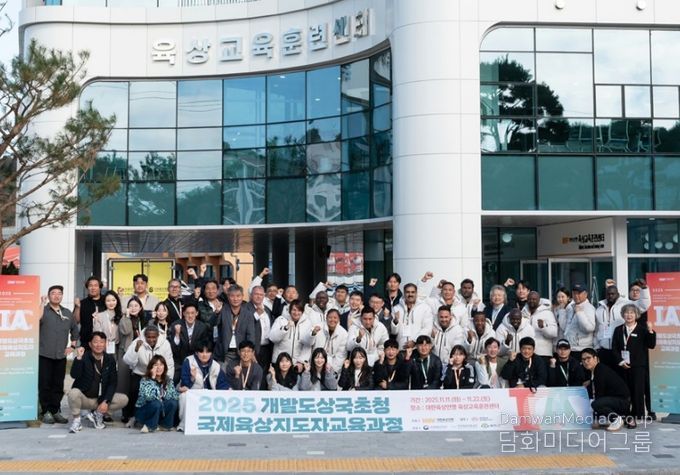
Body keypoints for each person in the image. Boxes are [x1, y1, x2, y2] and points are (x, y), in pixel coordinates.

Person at [67, 332, 128, 433]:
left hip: (100, 400)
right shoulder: (84, 356)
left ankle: (98, 415)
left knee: (123, 399)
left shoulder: (110, 359)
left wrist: (106, 401)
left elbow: (112, 383)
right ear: (90, 344)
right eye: (95, 342)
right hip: (85, 398)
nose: (98, 345)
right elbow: (74, 375)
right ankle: (77, 420)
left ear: (105, 344)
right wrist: (78, 358)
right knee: (73, 393)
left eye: (101, 342)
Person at [38, 285, 79, 424]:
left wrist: (72, 346)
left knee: (58, 385)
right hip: (44, 354)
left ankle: (55, 410)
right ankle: (46, 412)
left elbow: (75, 330)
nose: (56, 296)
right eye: (53, 293)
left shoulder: (67, 312)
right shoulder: (43, 310)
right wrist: (41, 303)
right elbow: (36, 320)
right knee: (45, 385)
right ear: (49, 295)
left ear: (62, 296)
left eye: (59, 293)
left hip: (60, 355)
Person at [612, 304, 656, 426]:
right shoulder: (618, 329)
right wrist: (621, 361)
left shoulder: (642, 330)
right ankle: (626, 414)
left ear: (636, 315)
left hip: (638, 366)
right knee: (624, 391)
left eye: (632, 313)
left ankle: (639, 414)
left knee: (638, 390)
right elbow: (614, 348)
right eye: (626, 312)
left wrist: (650, 331)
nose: (629, 315)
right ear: (623, 315)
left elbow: (651, 345)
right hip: (623, 365)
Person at [122, 324, 174, 426]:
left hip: (159, 375)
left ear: (158, 336)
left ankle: (158, 417)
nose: (151, 339)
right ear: (145, 336)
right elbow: (127, 360)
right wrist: (136, 350)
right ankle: (131, 415)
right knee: (134, 389)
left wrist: (168, 379)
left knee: (160, 395)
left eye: (154, 337)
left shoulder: (165, 344)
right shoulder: (137, 342)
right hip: (141, 373)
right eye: (148, 337)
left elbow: (169, 364)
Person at [595, 284, 651, 370]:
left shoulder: (626, 304)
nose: (610, 296)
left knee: (619, 376)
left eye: (613, 294)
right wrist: (596, 347)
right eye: (608, 294)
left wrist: (644, 289)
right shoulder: (600, 309)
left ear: (618, 294)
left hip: (619, 350)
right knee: (605, 376)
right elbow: (597, 329)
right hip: (604, 350)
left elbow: (643, 305)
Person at [177, 341, 229, 432]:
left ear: (211, 353)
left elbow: (223, 384)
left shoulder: (216, 366)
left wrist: (227, 390)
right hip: (193, 393)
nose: (204, 355)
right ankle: (183, 424)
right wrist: (192, 378)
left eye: (207, 352)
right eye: (201, 352)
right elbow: (184, 385)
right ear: (196, 352)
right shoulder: (188, 361)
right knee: (184, 396)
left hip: (210, 395)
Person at [582, 347, 630, 431]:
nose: (585, 361)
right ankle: (606, 419)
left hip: (622, 402)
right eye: (583, 359)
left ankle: (616, 420)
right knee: (596, 402)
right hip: (616, 401)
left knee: (595, 403)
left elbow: (599, 395)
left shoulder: (600, 370)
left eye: (588, 358)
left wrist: (595, 417)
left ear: (595, 358)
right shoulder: (596, 371)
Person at [214, 285, 258, 367]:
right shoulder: (222, 310)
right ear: (228, 297)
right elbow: (214, 326)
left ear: (242, 296)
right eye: (232, 296)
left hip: (241, 353)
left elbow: (251, 335)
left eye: (238, 296)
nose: (235, 299)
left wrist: (250, 352)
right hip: (224, 353)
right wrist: (217, 313)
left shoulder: (248, 314)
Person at [116, 296, 144, 424]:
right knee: (125, 384)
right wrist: (127, 316)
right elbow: (126, 331)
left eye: (136, 306)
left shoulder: (144, 320)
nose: (133, 308)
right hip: (126, 353)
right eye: (131, 306)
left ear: (141, 307)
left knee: (136, 384)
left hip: (140, 354)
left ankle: (136, 412)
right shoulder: (124, 319)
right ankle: (125, 413)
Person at [135, 355, 179, 433]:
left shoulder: (168, 380)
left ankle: (165, 425)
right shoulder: (145, 380)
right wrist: (152, 378)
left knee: (173, 402)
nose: (158, 367)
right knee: (156, 403)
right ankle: (150, 426)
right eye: (155, 365)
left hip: (160, 410)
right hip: (144, 411)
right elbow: (149, 397)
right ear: (151, 368)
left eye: (161, 364)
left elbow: (174, 396)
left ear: (164, 367)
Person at [169, 303, 210, 383]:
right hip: (179, 362)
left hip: (196, 361)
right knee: (173, 381)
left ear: (196, 313)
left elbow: (203, 347)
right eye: (187, 313)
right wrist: (177, 335)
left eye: (192, 313)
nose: (190, 316)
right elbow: (174, 349)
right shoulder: (176, 325)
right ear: (184, 313)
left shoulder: (202, 327)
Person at [269, 300, 315, 368]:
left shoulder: (307, 323)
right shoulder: (281, 320)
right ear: (290, 310)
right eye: (294, 310)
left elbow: (308, 345)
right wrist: (285, 328)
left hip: (297, 364)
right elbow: (272, 338)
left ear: (302, 311)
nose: (296, 313)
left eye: (299, 310)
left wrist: (301, 361)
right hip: (281, 362)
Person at [246, 285, 274, 388]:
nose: (258, 296)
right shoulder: (246, 308)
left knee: (264, 372)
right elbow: (245, 327)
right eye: (256, 294)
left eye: (261, 294)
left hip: (267, 347)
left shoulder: (267, 309)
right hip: (253, 347)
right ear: (251, 295)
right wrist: (257, 314)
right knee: (253, 372)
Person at [393, 283, 433, 349]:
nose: (410, 294)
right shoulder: (396, 308)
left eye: (413, 292)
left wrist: (415, 341)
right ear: (404, 293)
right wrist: (395, 322)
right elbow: (394, 332)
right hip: (401, 347)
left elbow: (427, 328)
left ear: (416, 293)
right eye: (407, 292)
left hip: (417, 348)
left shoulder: (425, 308)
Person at [563, 283, 596, 361]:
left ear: (585, 294)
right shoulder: (571, 307)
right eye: (574, 293)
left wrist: (579, 313)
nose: (576, 296)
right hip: (570, 348)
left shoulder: (589, 308)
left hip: (582, 349)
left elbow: (589, 328)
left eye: (579, 293)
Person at [523, 291, 557, 362]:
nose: (531, 301)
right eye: (530, 299)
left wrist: (543, 327)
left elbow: (554, 333)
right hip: (526, 352)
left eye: (534, 299)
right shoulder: (523, 313)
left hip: (543, 353)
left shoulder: (547, 313)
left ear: (539, 300)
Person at [311, 308, 348, 374]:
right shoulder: (318, 327)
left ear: (339, 319)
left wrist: (334, 370)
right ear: (326, 318)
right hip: (315, 362)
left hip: (331, 367)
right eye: (330, 317)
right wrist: (313, 333)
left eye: (335, 318)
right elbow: (308, 342)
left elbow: (341, 355)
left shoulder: (343, 333)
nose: (332, 320)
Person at [73, 276, 104, 349]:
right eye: (90, 285)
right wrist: (77, 307)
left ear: (100, 288)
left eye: (96, 285)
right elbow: (75, 321)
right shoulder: (82, 303)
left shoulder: (106, 301)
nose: (93, 288)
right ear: (87, 288)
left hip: (104, 342)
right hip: (86, 342)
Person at [92, 290, 122, 356]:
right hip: (104, 347)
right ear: (104, 302)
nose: (111, 303)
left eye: (113, 300)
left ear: (117, 301)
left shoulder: (121, 315)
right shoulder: (99, 315)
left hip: (118, 346)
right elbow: (96, 332)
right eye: (108, 301)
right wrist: (96, 320)